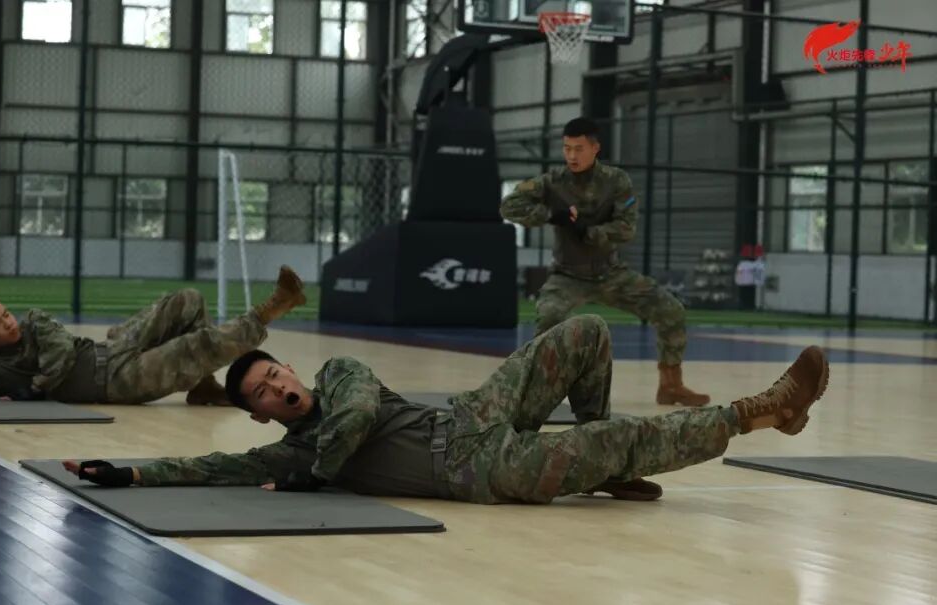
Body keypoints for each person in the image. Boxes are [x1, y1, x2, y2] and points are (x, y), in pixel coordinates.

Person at [64, 314, 829, 505]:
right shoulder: (288, 453)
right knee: (629, 435)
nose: (273, 388)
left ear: (289, 367)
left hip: (470, 412)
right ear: (261, 414)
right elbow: (212, 467)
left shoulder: (341, 376)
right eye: (260, 394)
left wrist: (319, 471)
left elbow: (356, 415)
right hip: (475, 466)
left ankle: (602, 467)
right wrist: (130, 472)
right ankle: (764, 409)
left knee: (586, 333)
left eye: (272, 374)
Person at [0, 267, 307, 406]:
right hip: (119, 381)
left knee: (187, 300)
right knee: (195, 346)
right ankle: (271, 308)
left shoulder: (36, 322)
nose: (8, 324)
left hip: (114, 347)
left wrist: (35, 388)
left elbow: (58, 355)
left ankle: (202, 386)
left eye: (6, 315)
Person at [500, 116, 710, 407]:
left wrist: (588, 232)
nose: (572, 156)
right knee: (549, 316)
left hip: (610, 273)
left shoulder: (616, 181)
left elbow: (626, 228)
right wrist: (550, 215)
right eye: (567, 148)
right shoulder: (552, 182)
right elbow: (508, 206)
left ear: (595, 148)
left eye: (579, 149)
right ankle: (536, 391)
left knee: (670, 309)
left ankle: (671, 385)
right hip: (567, 276)